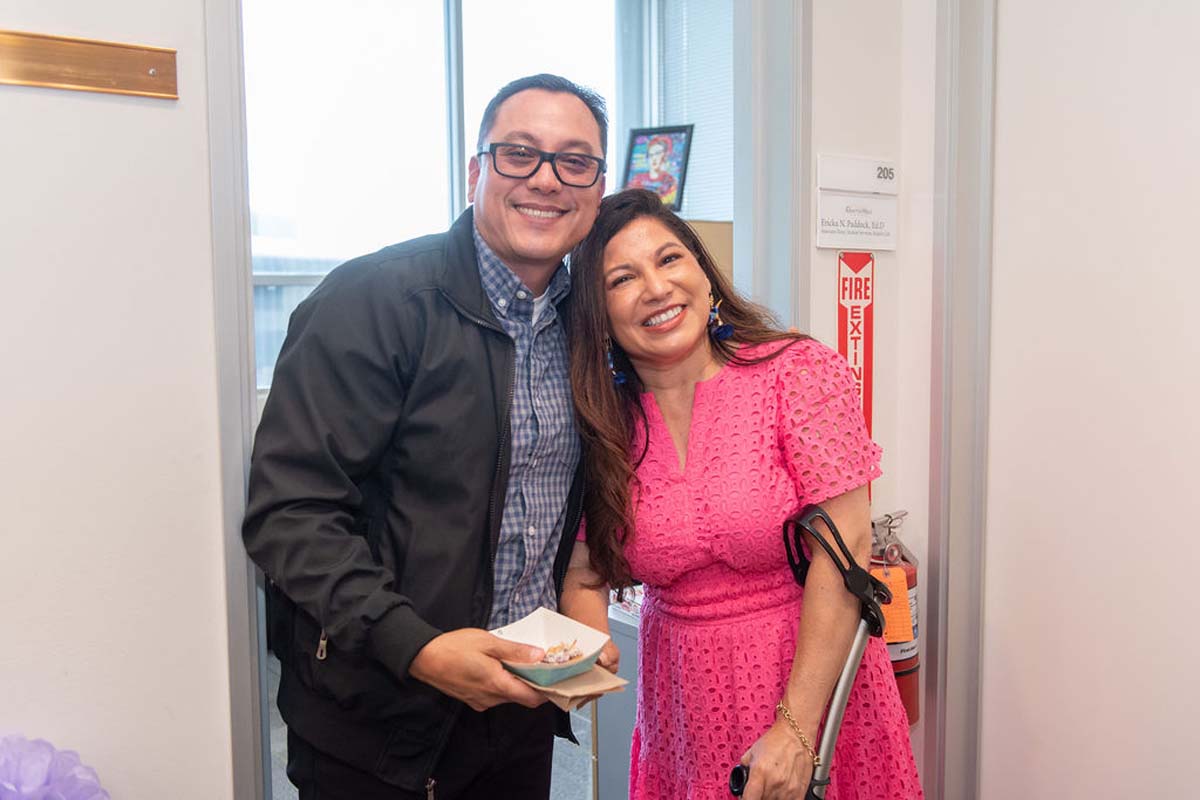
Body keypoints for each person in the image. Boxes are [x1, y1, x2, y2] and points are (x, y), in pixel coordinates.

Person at [242, 74, 615, 800]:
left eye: (575, 161)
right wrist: (415, 647)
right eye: (519, 153)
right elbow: (289, 514)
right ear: (476, 171)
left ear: (597, 190)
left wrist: (582, 610)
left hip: (518, 711)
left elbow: (567, 504)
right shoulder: (374, 301)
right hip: (376, 714)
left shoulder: (585, 326)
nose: (546, 178)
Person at [560, 189, 923, 800]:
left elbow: (848, 548)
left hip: (812, 682)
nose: (656, 287)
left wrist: (795, 731)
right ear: (598, 313)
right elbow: (584, 569)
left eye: (670, 259)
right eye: (623, 278)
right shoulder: (601, 424)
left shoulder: (798, 372)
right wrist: (588, 642)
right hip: (682, 708)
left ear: (704, 272)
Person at [626, 135, 678, 205]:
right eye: (651, 155)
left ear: (665, 155)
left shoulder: (670, 181)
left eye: (657, 154)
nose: (654, 158)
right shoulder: (638, 179)